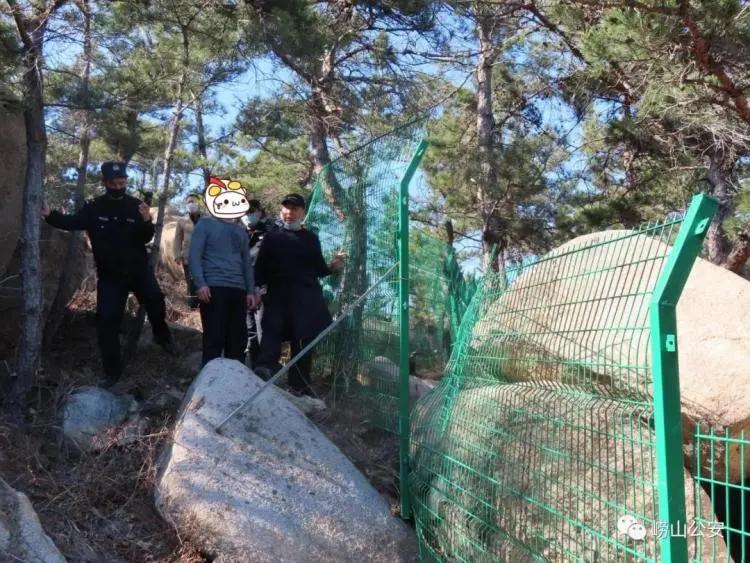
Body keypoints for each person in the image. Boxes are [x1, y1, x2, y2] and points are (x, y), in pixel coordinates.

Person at [42, 161, 175, 386]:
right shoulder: (94, 207)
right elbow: (73, 222)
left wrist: (146, 220)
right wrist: (50, 215)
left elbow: (145, 237)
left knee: (155, 299)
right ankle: (112, 373)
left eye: (122, 183)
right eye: (114, 184)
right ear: (105, 182)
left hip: (138, 270)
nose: (118, 187)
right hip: (111, 277)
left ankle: (162, 337)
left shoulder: (136, 205)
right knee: (106, 323)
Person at [253, 193, 345, 394]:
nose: (289, 212)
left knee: (303, 340)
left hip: (305, 298)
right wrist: (256, 290)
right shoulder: (271, 237)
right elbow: (259, 268)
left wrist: (333, 266)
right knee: (271, 332)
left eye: (294, 209)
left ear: (302, 212)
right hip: (276, 295)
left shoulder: (311, 239)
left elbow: (320, 269)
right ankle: (265, 372)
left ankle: (299, 385)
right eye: (286, 208)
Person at [189, 179, 260, 367]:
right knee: (214, 338)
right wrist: (200, 283)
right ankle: (209, 381)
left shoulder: (240, 231)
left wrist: (250, 291)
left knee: (237, 341)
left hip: (238, 290)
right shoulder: (204, 225)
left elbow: (246, 264)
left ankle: (234, 381)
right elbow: (194, 256)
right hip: (213, 288)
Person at [242, 199, 272, 367]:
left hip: (262, 290)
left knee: (263, 329)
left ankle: (264, 367)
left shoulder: (270, 232)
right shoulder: (241, 233)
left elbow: (273, 263)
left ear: (260, 212)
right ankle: (253, 364)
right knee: (249, 329)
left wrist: (261, 288)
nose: (248, 216)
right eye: (245, 212)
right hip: (245, 288)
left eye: (251, 212)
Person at [174, 194, 202, 309]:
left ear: (198, 203)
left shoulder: (207, 219)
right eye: (188, 202)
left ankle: (206, 303)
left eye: (193, 201)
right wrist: (177, 255)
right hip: (188, 256)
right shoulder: (182, 220)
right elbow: (177, 239)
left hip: (205, 256)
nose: (191, 204)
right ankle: (193, 306)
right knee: (190, 282)